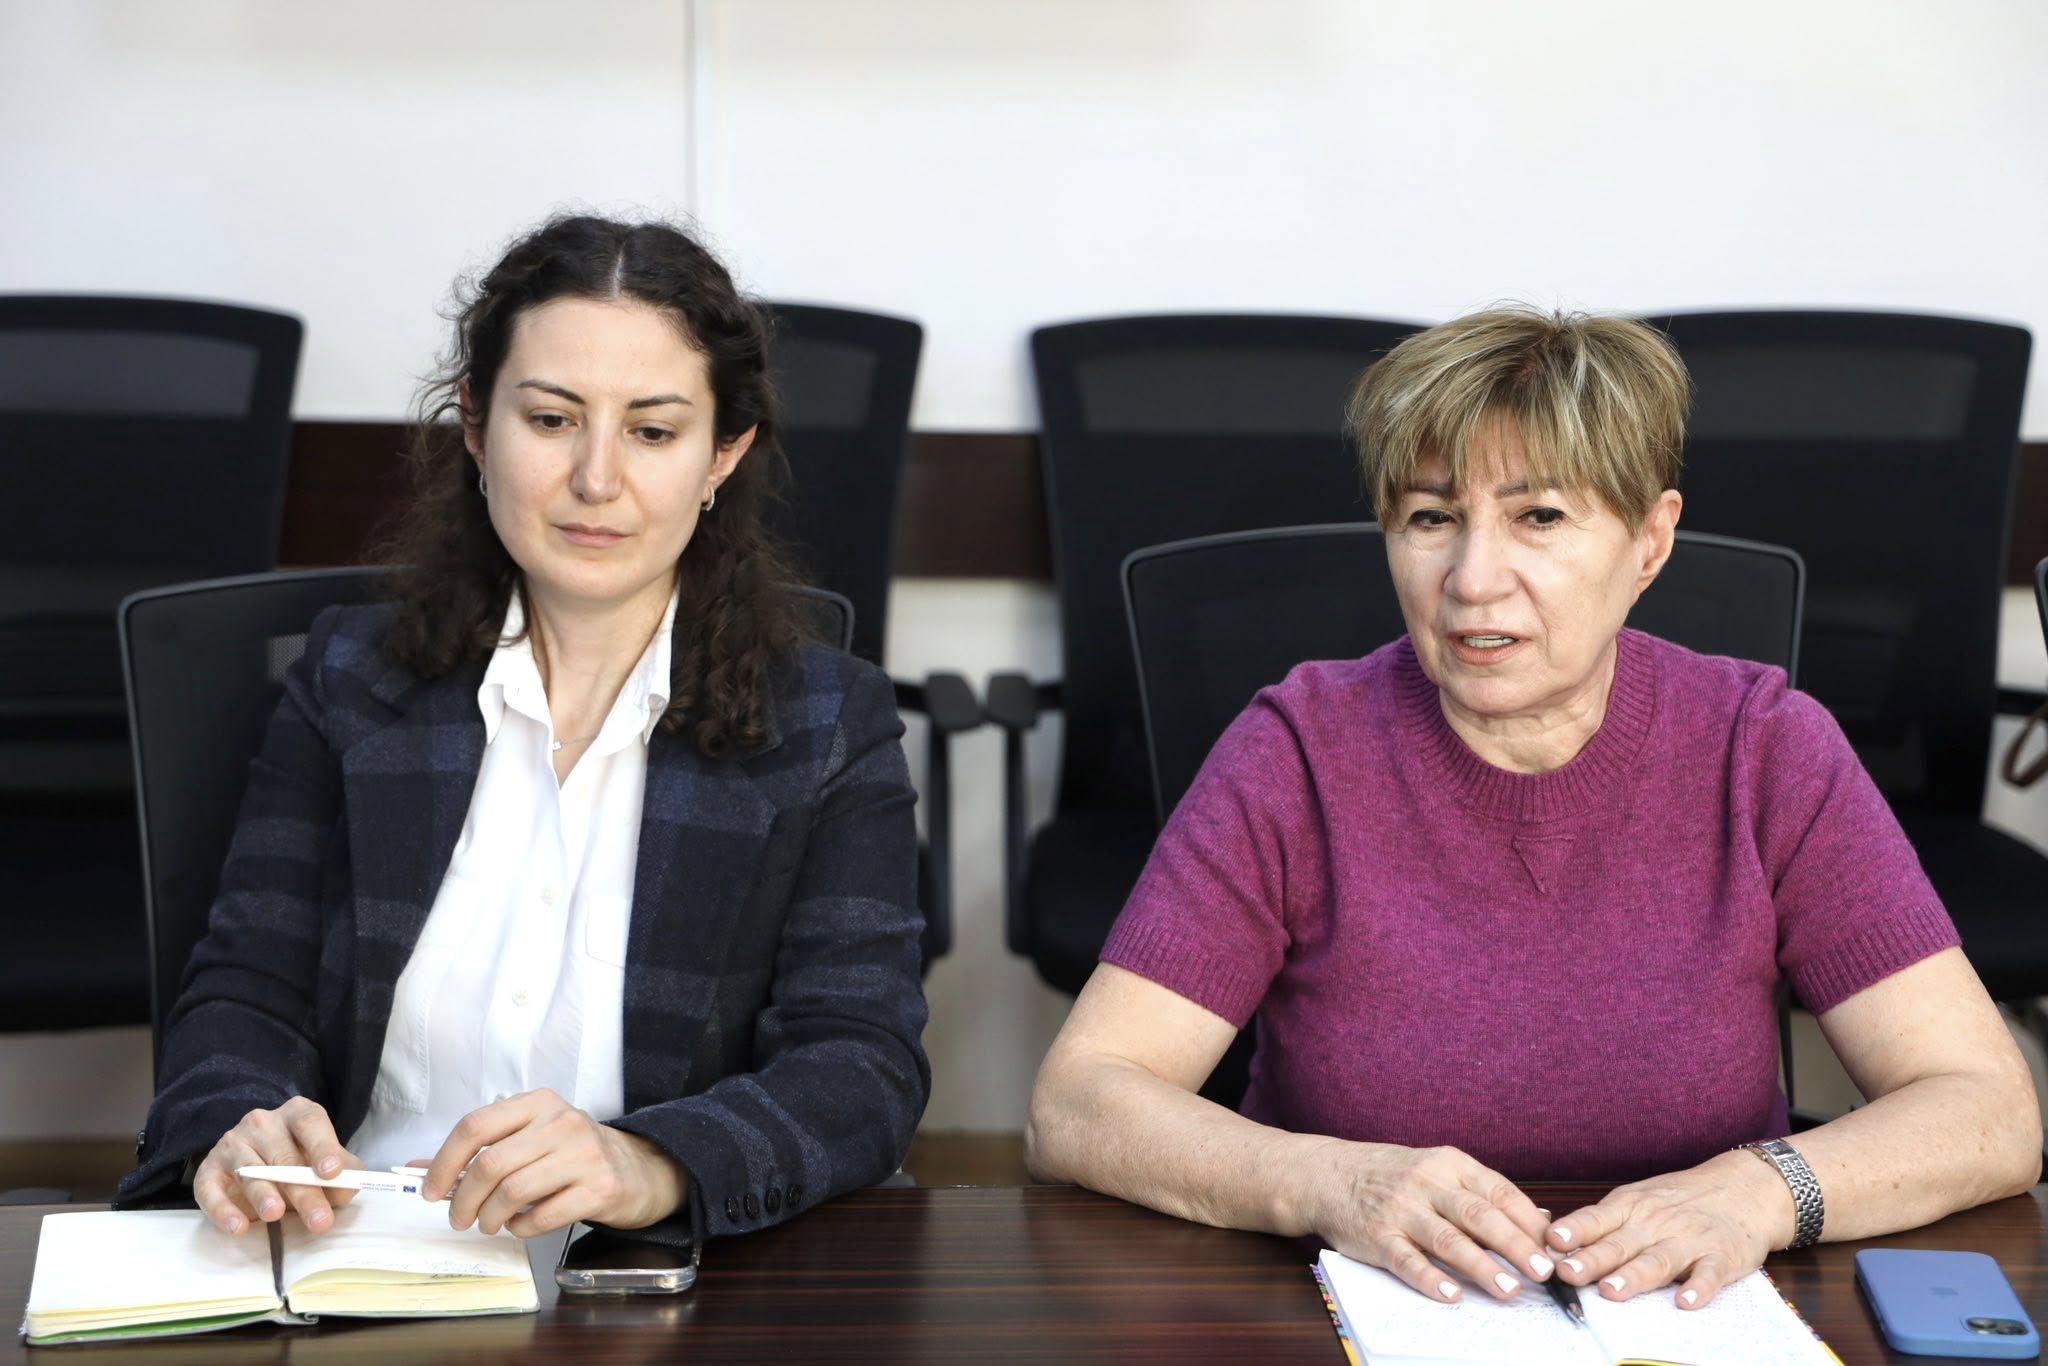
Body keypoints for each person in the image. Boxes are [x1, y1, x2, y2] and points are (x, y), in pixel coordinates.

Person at [1027, 306, 2040, 1310]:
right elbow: (1077, 1101)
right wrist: (1327, 1181)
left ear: (1649, 541)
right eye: (1430, 518)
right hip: (1350, 1309)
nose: (1471, 581)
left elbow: (1988, 1110)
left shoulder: (1764, 747)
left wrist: (1763, 1190)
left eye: (1540, 517)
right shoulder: (1295, 750)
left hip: (1680, 1317)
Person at [119, 215, 931, 1245]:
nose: (596, 479)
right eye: (551, 420)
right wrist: (234, 1123)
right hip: (344, 1253)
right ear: (475, 424)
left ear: (722, 455)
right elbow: (245, 991)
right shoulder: (348, 678)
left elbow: (861, 1062)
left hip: (635, 1272)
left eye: (652, 432)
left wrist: (652, 1161)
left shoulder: (826, 723)